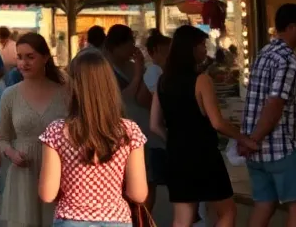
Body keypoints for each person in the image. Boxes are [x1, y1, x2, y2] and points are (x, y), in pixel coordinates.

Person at [152, 25, 254, 227]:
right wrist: (244, 138)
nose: (205, 49)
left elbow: (154, 124)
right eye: (201, 44)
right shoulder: (201, 80)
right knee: (227, 212)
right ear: (190, 48)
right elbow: (217, 122)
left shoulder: (163, 81)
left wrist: (174, 141)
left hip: (176, 155)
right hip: (204, 154)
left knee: (182, 217)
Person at [38, 49, 147, 227]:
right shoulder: (129, 131)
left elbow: (47, 194)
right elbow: (139, 194)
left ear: (73, 87)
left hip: (70, 218)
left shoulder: (56, 132)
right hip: (116, 219)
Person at [242, 4, 296, 227]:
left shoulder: (264, 54)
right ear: (292, 27)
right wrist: (256, 138)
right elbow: (275, 104)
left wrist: (250, 141)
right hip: (281, 148)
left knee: (264, 205)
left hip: (256, 153)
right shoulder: (288, 60)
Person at [0, 32, 66, 227]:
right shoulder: (9, 95)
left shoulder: (66, 92)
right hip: (23, 175)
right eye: (19, 57)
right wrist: (11, 153)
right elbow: (2, 137)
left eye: (30, 56)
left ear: (45, 57)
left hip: (59, 173)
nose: (23, 63)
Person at [103, 24, 154, 206]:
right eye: (129, 44)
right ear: (116, 46)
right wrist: (139, 72)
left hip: (139, 126)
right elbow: (123, 97)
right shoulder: (105, 69)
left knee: (145, 181)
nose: (132, 48)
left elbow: (143, 97)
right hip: (117, 131)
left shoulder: (132, 67)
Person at [143, 29, 171, 205]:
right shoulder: (154, 72)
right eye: (165, 50)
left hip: (157, 134)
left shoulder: (160, 71)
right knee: (150, 184)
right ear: (155, 51)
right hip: (155, 136)